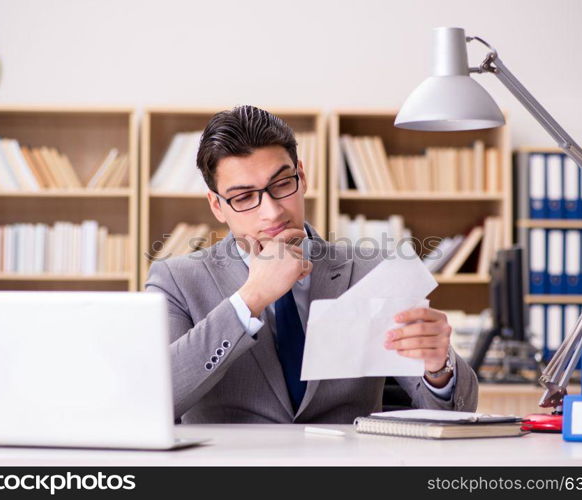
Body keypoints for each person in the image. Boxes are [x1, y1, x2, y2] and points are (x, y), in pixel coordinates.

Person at [145, 105, 478, 423]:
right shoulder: (176, 280)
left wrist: (439, 367)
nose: (273, 212)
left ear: (301, 176)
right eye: (245, 197)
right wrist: (251, 299)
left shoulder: (372, 271)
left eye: (281, 184)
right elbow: (154, 398)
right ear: (217, 206)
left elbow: (449, 413)